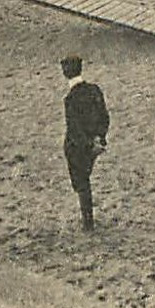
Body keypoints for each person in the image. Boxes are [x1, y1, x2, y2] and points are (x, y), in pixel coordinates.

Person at [60, 56, 109, 232]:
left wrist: (87, 144)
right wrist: (99, 138)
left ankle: (88, 224)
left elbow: (74, 128)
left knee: (81, 183)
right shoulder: (94, 90)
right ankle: (88, 221)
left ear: (65, 74)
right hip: (96, 143)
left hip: (78, 146)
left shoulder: (70, 99)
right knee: (84, 180)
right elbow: (104, 117)